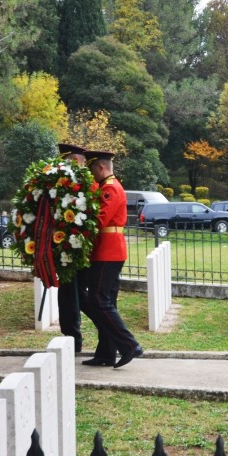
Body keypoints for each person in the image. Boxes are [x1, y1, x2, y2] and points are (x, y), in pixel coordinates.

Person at [80, 150, 143, 368]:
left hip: (108, 251)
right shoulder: (108, 187)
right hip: (107, 250)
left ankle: (129, 345)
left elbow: (99, 219)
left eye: (91, 170)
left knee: (98, 300)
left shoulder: (110, 188)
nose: (91, 175)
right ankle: (106, 353)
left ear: (100, 168)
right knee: (105, 302)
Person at [56, 143, 88, 353]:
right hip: (64, 245)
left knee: (76, 294)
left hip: (79, 247)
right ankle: (70, 336)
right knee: (68, 294)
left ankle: (73, 337)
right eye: (83, 161)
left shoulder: (82, 183)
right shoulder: (60, 183)